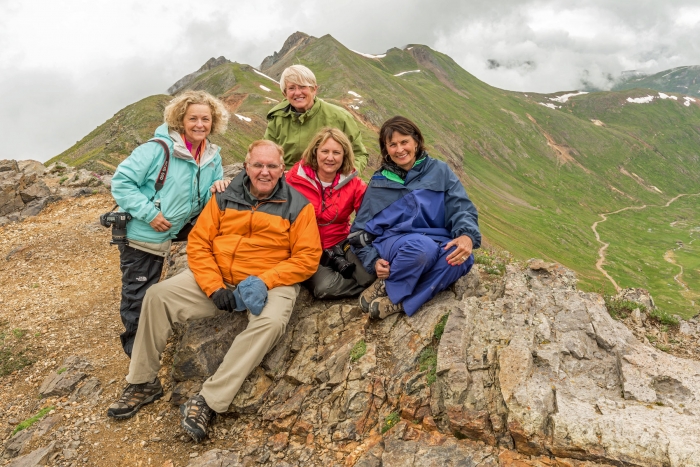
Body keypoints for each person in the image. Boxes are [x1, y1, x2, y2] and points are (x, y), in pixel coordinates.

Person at [107, 140, 321, 443]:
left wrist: (264, 280)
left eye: (272, 166)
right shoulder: (223, 197)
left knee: (271, 323)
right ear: (246, 166)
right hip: (218, 276)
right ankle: (143, 382)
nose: (264, 172)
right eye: (258, 165)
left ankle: (209, 400)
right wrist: (214, 286)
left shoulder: (299, 206)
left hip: (270, 281)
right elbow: (199, 243)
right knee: (157, 296)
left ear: (282, 169)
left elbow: (307, 258)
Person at [111, 90, 230, 358]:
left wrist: (218, 185)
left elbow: (208, 186)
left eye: (206, 119)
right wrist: (149, 214)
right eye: (193, 119)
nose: (200, 125)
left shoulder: (211, 155)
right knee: (138, 298)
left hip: (180, 226)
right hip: (145, 233)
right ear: (180, 120)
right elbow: (121, 182)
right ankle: (139, 362)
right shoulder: (157, 150)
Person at [349, 116, 481, 320]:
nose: (399, 149)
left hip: (436, 239)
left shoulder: (440, 171)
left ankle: (399, 302)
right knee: (421, 248)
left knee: (461, 259)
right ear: (386, 150)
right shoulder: (379, 182)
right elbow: (359, 232)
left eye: (404, 142)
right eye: (392, 145)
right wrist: (373, 261)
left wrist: (467, 235)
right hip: (395, 243)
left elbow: (461, 207)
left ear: (416, 142)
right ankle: (385, 284)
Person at [285, 127, 375, 299]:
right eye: (324, 151)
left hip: (342, 242)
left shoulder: (354, 183)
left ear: (344, 155)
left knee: (370, 275)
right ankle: (366, 289)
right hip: (306, 249)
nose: (330, 157)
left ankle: (367, 283)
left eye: (336, 152)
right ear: (315, 152)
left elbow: (370, 215)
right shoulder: (295, 178)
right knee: (324, 288)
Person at [264, 64, 369, 172]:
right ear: (285, 93)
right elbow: (266, 155)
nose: (298, 92)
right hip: (287, 183)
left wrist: (345, 177)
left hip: (329, 182)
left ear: (314, 89)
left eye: (302, 86)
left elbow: (359, 154)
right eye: (291, 88)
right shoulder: (277, 119)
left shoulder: (340, 117)